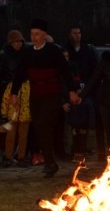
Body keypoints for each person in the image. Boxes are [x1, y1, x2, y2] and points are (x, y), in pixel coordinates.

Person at [11, 19, 79, 178]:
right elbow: (20, 73)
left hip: (51, 94)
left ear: (45, 35)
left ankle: (50, 161)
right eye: (32, 34)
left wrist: (72, 91)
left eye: (37, 34)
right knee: (39, 128)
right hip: (35, 94)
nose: (34, 37)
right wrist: (14, 92)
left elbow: (65, 72)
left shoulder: (54, 51)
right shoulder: (27, 52)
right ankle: (50, 162)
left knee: (43, 123)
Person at [65, 25, 105, 161]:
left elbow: (95, 71)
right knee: (73, 122)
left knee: (89, 120)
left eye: (79, 33)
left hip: (88, 90)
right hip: (71, 90)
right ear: (70, 34)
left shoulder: (88, 50)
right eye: (74, 33)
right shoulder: (66, 50)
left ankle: (88, 148)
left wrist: (87, 88)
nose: (77, 35)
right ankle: (73, 148)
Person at [0, 29, 31, 167]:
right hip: (11, 92)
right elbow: (0, 74)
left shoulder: (27, 54)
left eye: (20, 41)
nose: (18, 44)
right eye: (15, 41)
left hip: (26, 91)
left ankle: (21, 156)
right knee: (10, 127)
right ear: (10, 43)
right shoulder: (4, 55)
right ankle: (8, 155)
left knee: (24, 128)